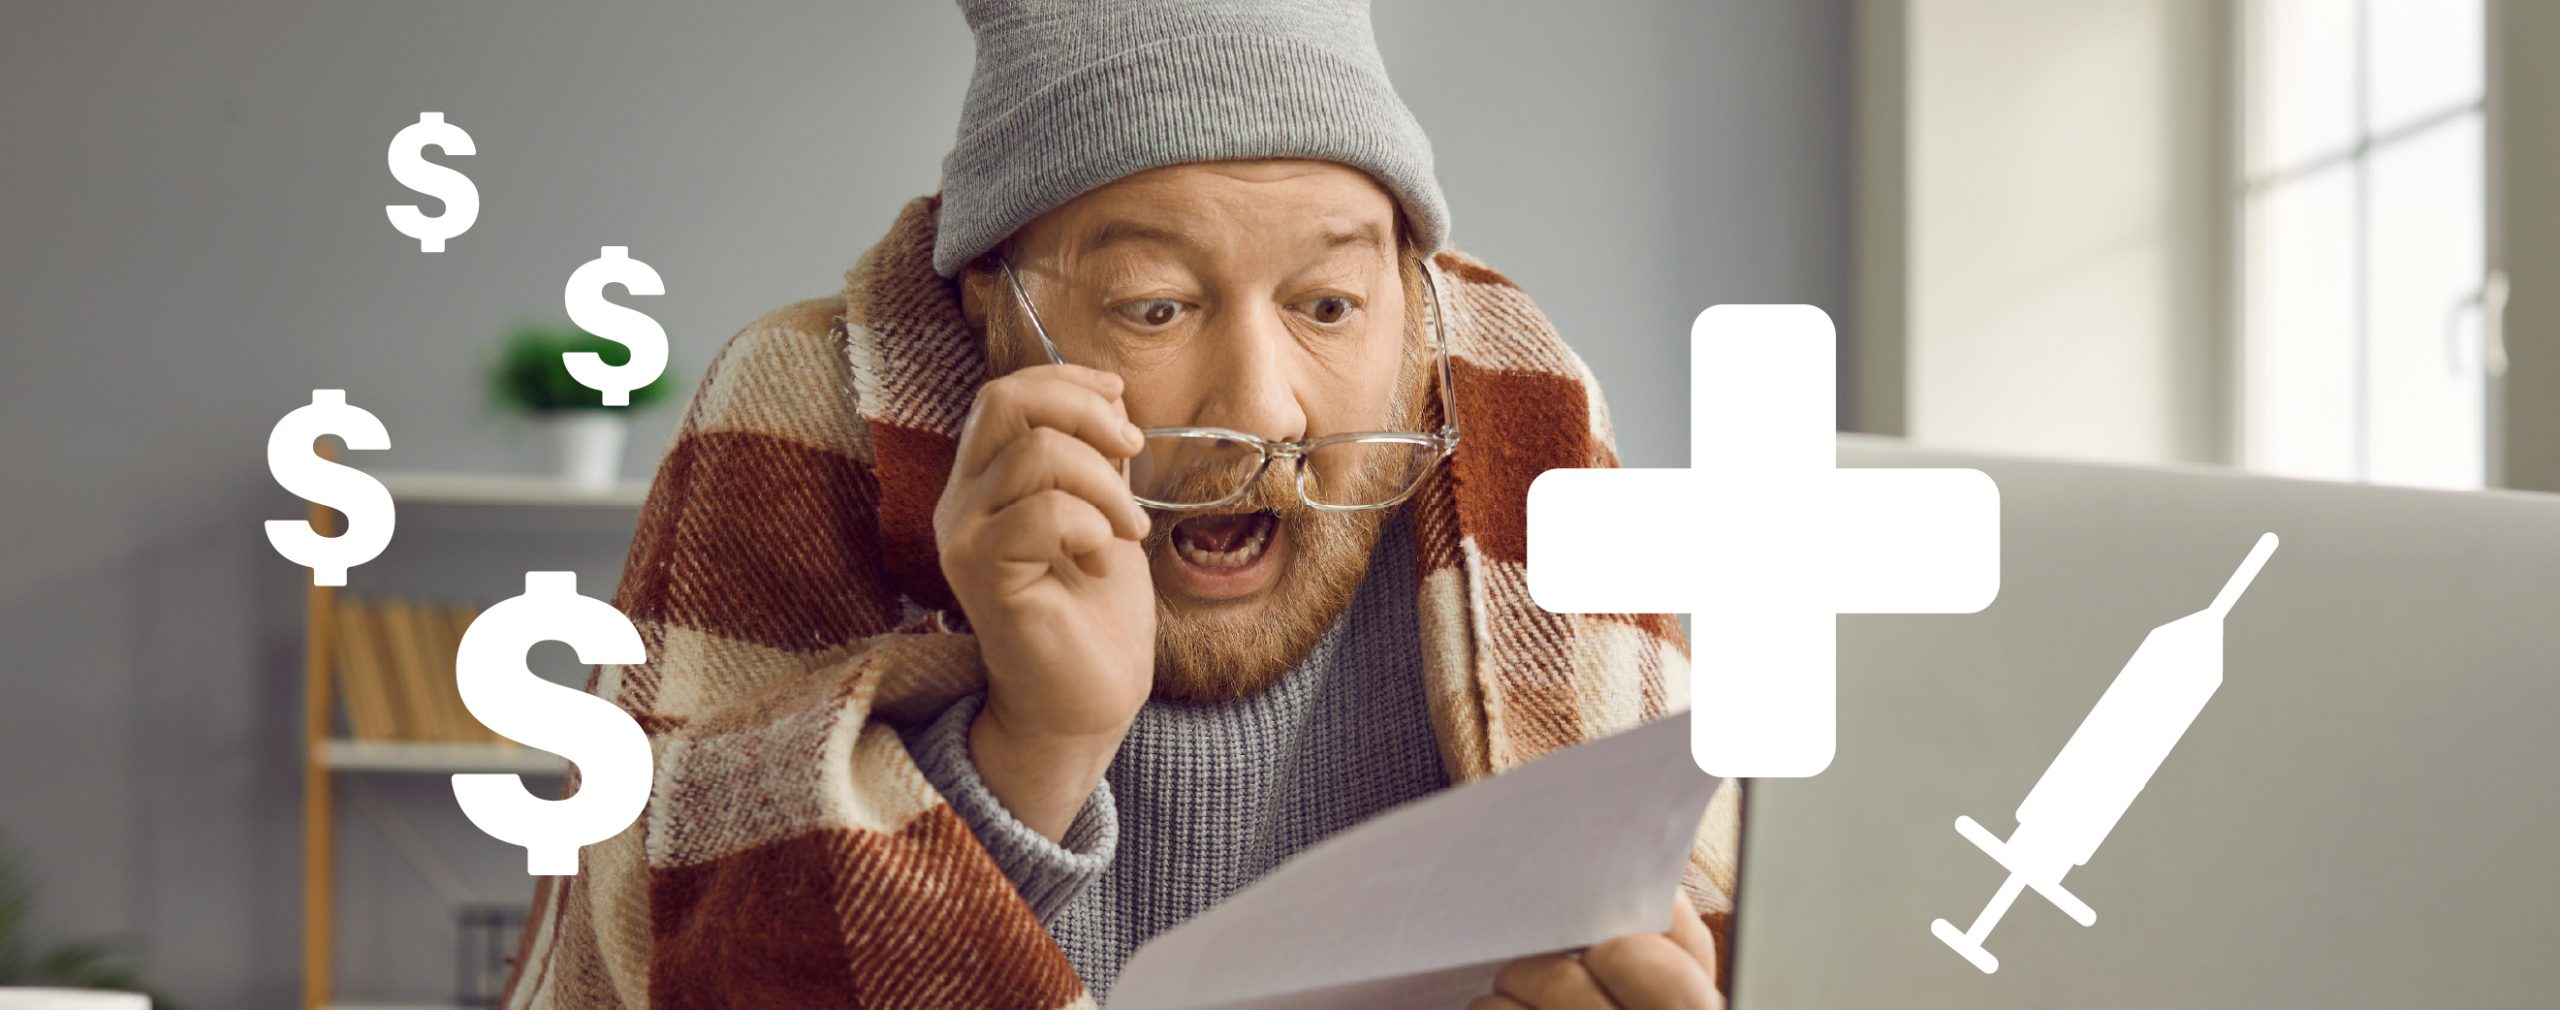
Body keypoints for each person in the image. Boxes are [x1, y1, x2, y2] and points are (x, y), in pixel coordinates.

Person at [499, 2, 1738, 1008]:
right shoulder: (797, 418)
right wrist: (1034, 743)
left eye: (1328, 305)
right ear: (988, 306)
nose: (1261, 409)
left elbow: (1715, 914)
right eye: (1155, 305)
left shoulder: (1521, 418)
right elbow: (659, 970)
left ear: (1411, 304)